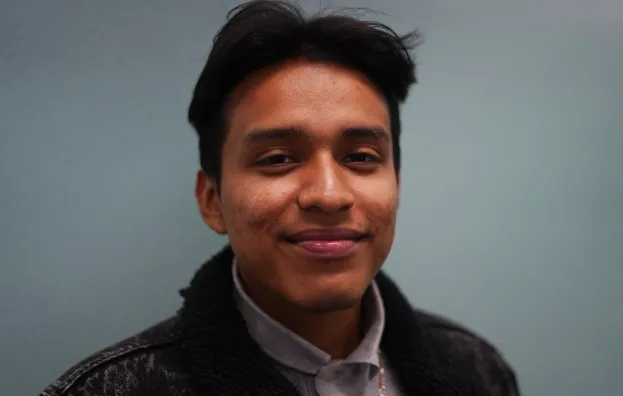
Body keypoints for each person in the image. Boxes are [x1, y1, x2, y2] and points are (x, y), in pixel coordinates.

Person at [40, 1, 520, 395]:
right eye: (277, 159)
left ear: (397, 183)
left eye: (361, 157)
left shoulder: (475, 372)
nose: (328, 195)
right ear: (212, 200)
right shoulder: (111, 390)